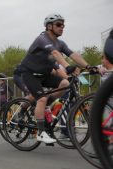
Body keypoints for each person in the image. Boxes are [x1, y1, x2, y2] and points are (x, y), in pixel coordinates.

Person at [19, 13, 94, 144]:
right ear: (49, 26)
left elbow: (73, 54)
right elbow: (55, 53)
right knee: (41, 98)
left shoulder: (60, 43)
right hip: (29, 73)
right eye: (58, 25)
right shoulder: (42, 39)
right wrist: (68, 66)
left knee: (65, 83)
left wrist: (89, 66)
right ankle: (41, 133)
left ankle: (47, 103)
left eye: (63, 25)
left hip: (44, 74)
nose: (62, 27)